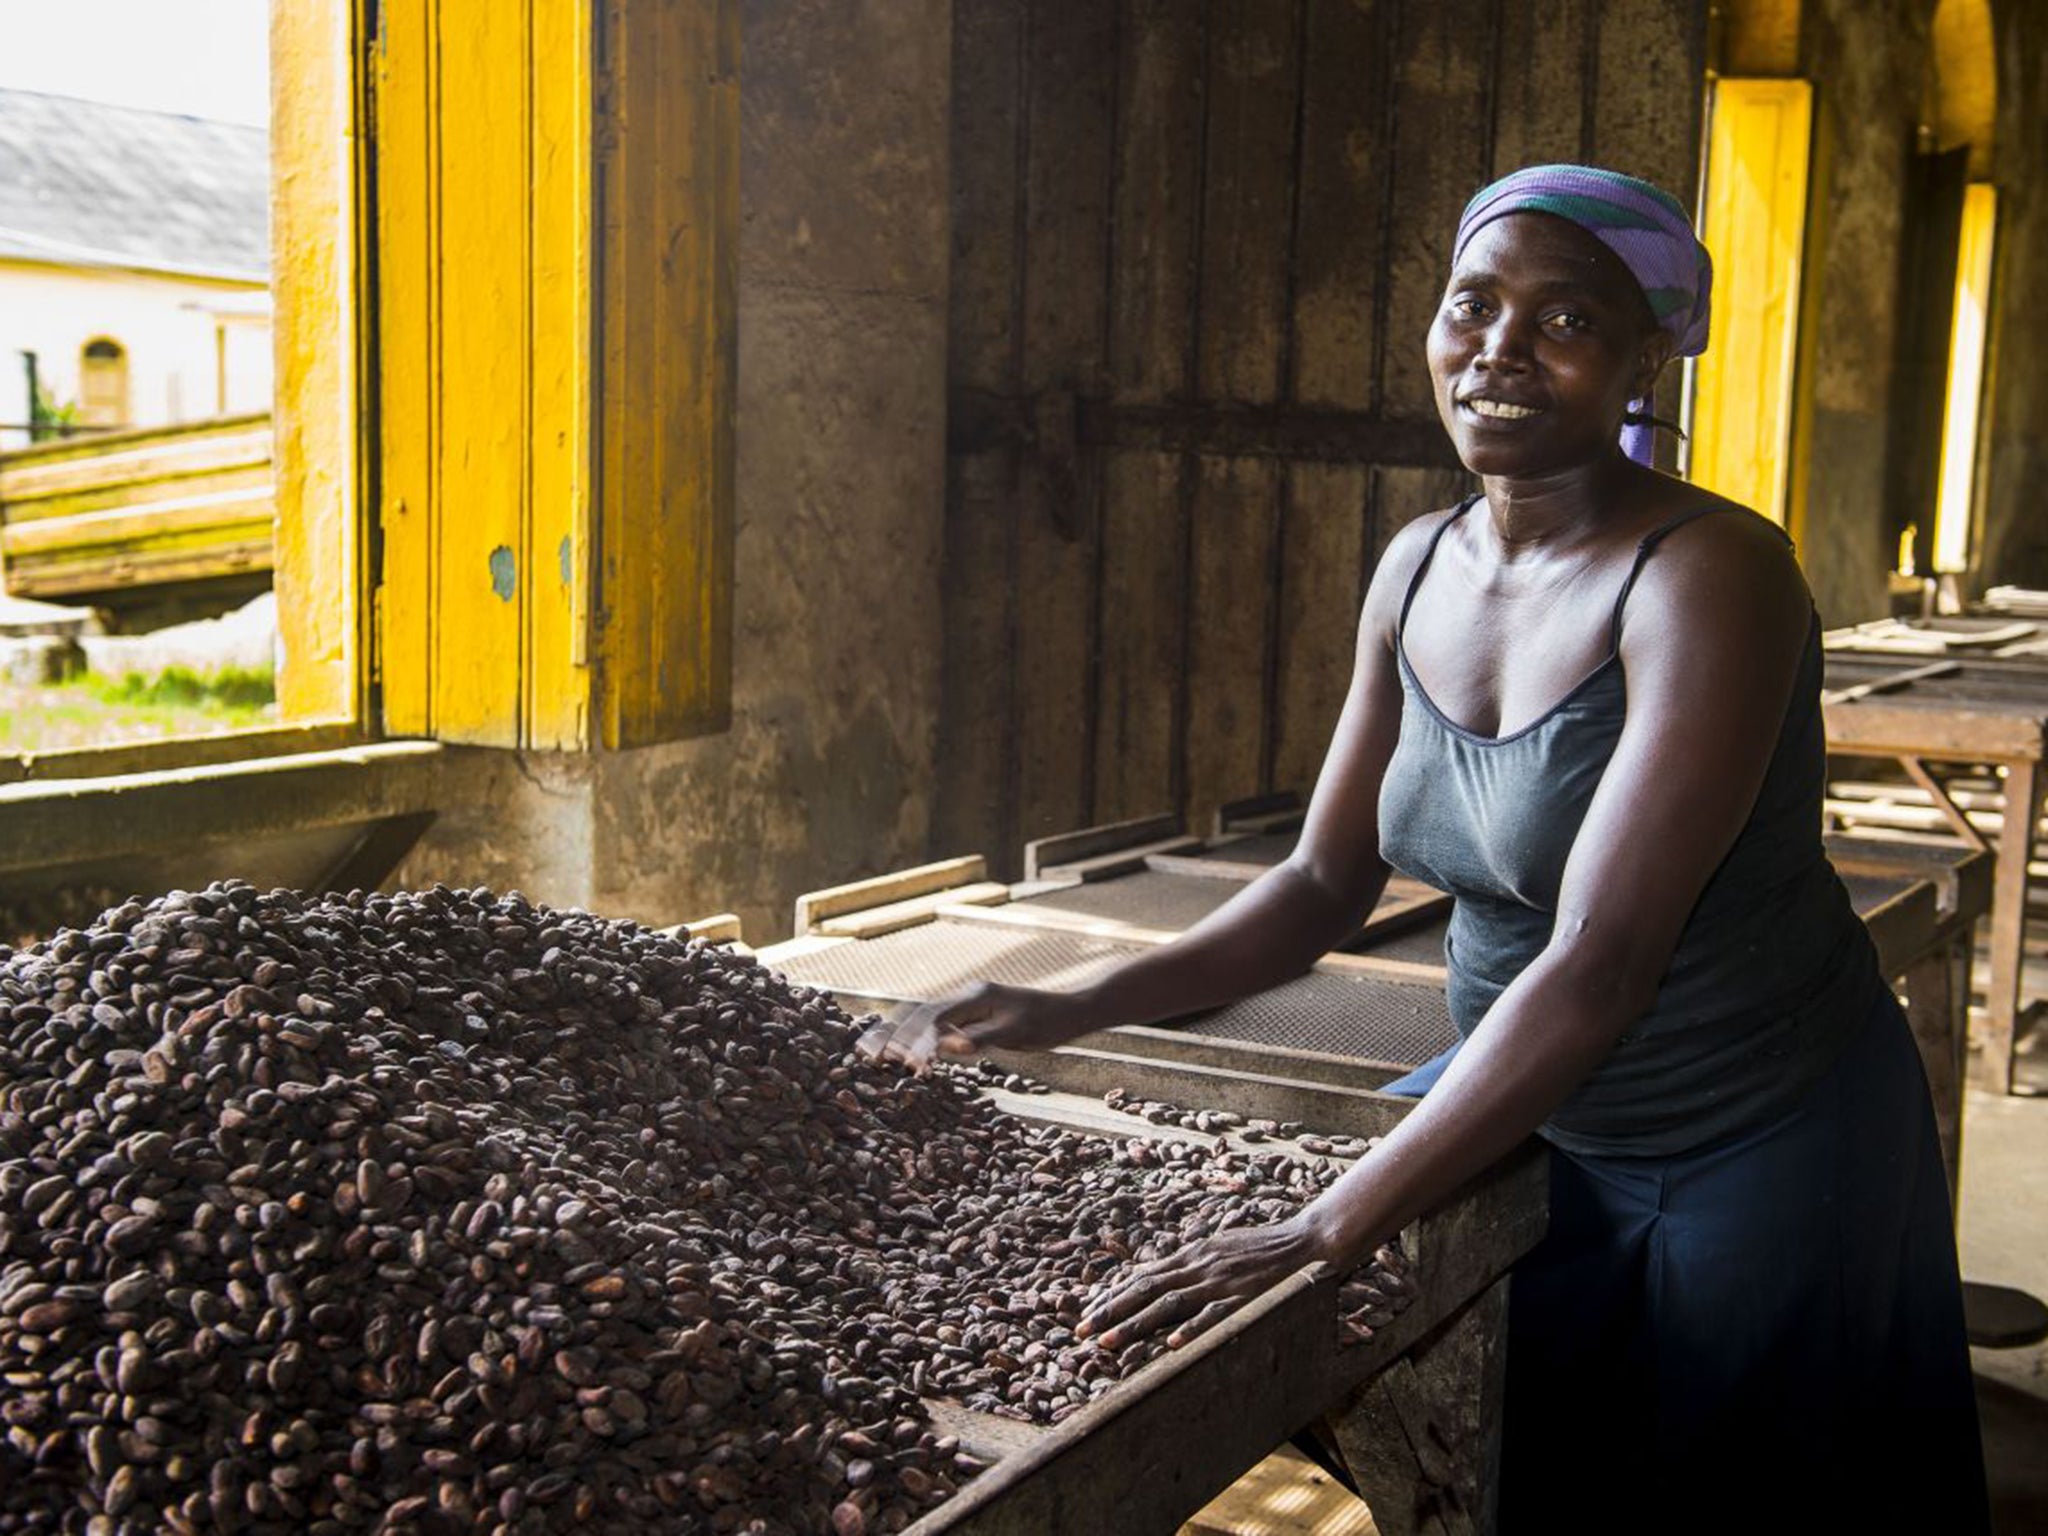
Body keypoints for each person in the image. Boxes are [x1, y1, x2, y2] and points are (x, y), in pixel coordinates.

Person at [858, 164, 1988, 1531]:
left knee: (1737, 1479)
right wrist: (1056, 1001)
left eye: (1564, 319)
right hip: (1532, 1109)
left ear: (1645, 356)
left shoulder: (1708, 575)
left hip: (1747, 1123)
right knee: (1537, 1462)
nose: (1501, 349)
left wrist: (1333, 1222)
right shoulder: (1416, 566)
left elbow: (1600, 957)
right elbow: (1321, 885)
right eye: (1474, 305)